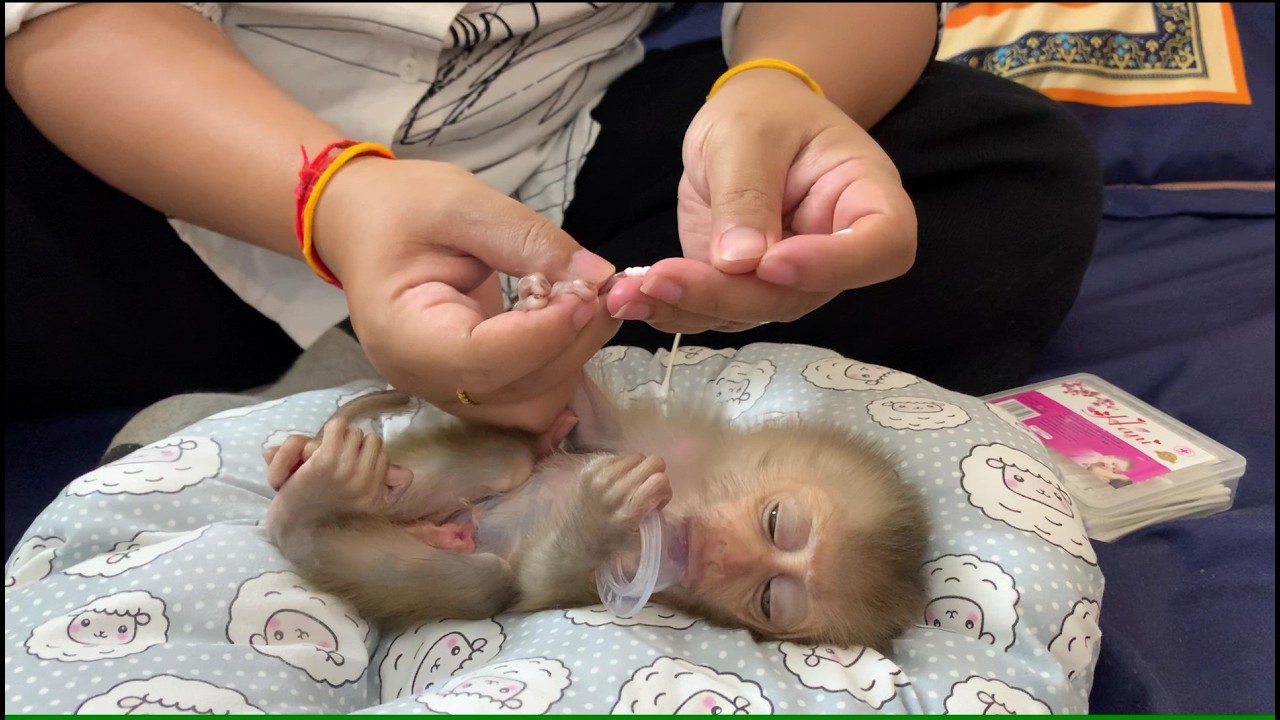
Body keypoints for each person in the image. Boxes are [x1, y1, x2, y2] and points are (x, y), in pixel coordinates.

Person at [4, 3, 1101, 442]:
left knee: (992, 178)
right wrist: (335, 195)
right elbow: (69, 18)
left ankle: (447, 375)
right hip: (147, 162)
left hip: (549, 165)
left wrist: (784, 87)